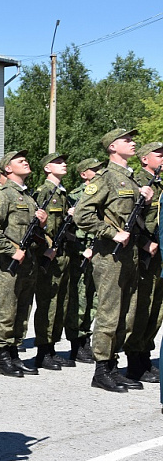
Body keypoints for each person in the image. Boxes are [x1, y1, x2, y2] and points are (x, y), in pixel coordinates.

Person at [74, 128, 153, 392]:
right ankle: (101, 371)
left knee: (124, 314)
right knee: (109, 313)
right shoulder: (105, 178)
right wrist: (111, 233)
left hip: (128, 256)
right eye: (127, 140)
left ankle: (113, 365)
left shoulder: (129, 180)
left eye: (132, 140)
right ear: (112, 147)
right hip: (110, 256)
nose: (133, 143)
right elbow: (82, 214)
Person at [0, 150, 47, 377]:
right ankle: (3, 358)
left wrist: (42, 223)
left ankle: (14, 353)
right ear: (8, 169)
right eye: (20, 160)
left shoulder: (27, 197)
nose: (26, 162)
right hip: (6, 263)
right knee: (6, 308)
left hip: (27, 262)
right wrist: (11, 251)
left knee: (23, 308)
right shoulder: (3, 195)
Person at [32, 153, 75, 371]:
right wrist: (46, 248)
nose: (64, 164)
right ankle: (42, 350)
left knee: (61, 304)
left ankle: (52, 348)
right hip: (49, 255)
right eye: (58, 162)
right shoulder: (44, 192)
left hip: (63, 254)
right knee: (48, 304)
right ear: (48, 168)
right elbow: (36, 226)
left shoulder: (62, 193)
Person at [128, 141, 163, 383]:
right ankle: (134, 360)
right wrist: (142, 243)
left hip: (159, 254)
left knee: (157, 310)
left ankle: (145, 353)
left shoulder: (159, 183)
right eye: (159, 154)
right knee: (142, 307)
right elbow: (127, 219)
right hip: (144, 254)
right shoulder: (137, 183)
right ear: (144, 159)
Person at [65, 158, 102, 364]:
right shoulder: (74, 197)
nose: (98, 172)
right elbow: (67, 230)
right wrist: (82, 248)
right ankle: (76, 343)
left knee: (94, 299)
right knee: (79, 299)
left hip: (98, 251)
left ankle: (86, 337)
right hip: (80, 253)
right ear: (83, 174)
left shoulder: (103, 193)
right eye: (94, 170)